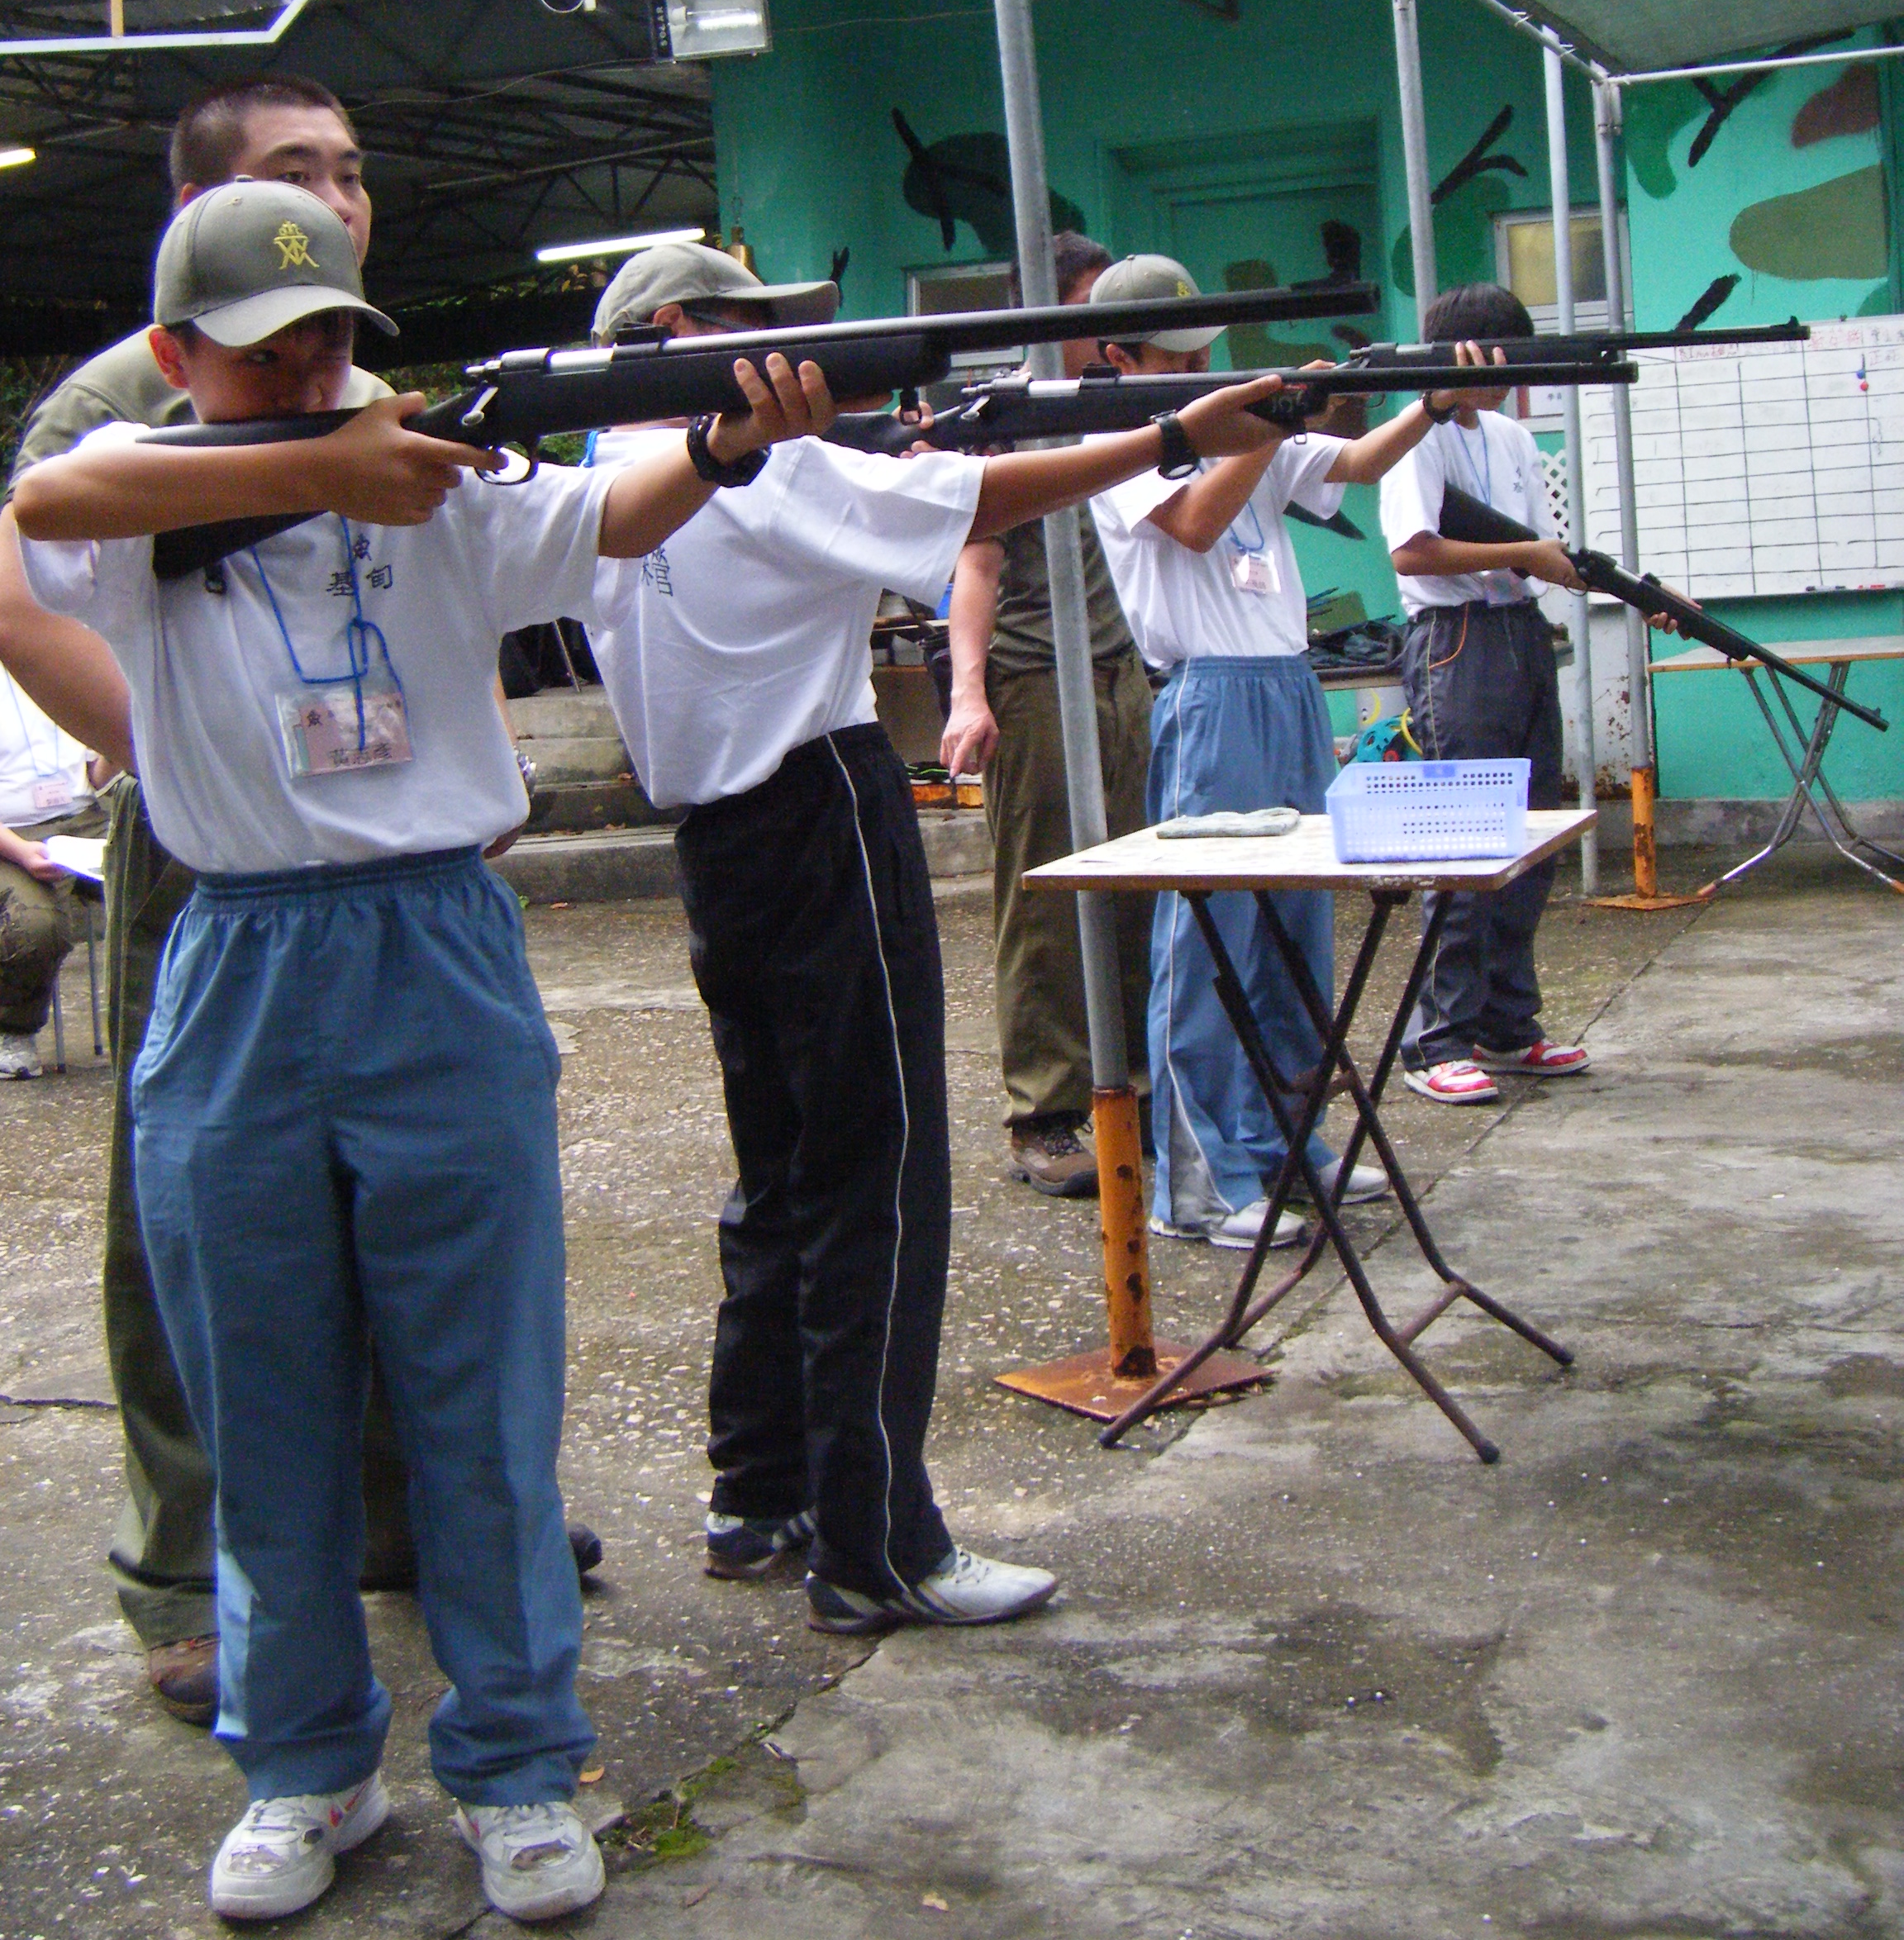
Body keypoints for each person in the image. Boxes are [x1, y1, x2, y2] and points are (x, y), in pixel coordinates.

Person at [11, 178, 831, 1924]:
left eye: (332, 346)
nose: (312, 374)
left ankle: (522, 1764)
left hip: (435, 943)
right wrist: (317, 463)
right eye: (263, 353)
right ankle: (302, 1762)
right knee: (263, 1399)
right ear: (174, 359)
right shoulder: (166, 491)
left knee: (479, 1389)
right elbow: (47, 500)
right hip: (234, 955)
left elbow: (615, 516)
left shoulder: (440, 480)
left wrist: (734, 444)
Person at [0, 76, 604, 1729]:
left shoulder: (371, 385)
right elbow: (27, 568)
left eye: (348, 171)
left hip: (394, 879)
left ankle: (428, 1544)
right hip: (206, 857)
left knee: (443, 1261)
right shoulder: (130, 398)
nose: (332, 196)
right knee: (200, 1254)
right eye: (290, 174)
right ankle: (194, 1581)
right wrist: (199, 760)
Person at [580, 243, 1296, 1635]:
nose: (797, 353)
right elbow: (982, 497)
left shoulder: (600, 480)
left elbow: (926, 481)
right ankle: (875, 1541)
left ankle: (760, 1486)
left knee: (784, 1173)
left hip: (720, 842)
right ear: (681, 333)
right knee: (878, 1185)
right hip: (824, 810)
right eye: (757, 332)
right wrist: (1167, 432)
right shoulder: (760, 467)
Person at [1085, 254, 1449, 1250]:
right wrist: (1272, 420)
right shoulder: (1117, 439)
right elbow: (1198, 524)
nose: (1203, 368)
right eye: (1178, 353)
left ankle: (1289, 1142)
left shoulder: (1236, 428)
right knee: (1210, 942)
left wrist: (1425, 401)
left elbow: (1361, 464)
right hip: (1208, 693)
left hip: (1286, 684)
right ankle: (1198, 1180)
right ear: (1120, 355)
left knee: (1297, 929)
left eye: (1208, 351)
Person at [940, 231, 1152, 1199]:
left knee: (1140, 886)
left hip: (1117, 672)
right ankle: (1047, 1113)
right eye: (1092, 303)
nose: (1110, 322)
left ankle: (1132, 1081)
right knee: (1045, 904)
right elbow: (975, 563)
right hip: (1033, 679)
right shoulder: (1007, 419)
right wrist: (969, 691)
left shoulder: (1113, 406)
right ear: (1052, 311)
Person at [1378, 283, 1592, 1104]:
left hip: (1519, 630)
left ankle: (1509, 1024)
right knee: (1465, 840)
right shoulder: (1415, 432)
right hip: (1456, 639)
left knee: (1530, 837)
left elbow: (1534, 543)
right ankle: (1437, 1038)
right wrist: (1531, 559)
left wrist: (1555, 564)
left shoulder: (1507, 434)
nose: (1509, 379)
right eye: (1500, 360)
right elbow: (1413, 553)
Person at [0, 664, 103, 1074]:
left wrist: (115, 747)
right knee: (36, 927)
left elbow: (96, 776)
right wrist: (22, 852)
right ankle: (14, 1029)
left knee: (165, 878)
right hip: (11, 833)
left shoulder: (61, 662)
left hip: (82, 818)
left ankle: (160, 1021)